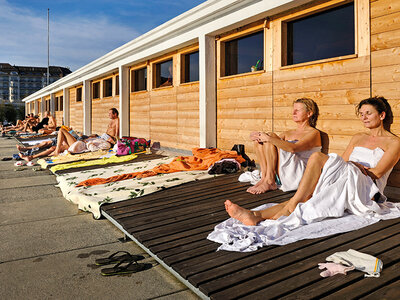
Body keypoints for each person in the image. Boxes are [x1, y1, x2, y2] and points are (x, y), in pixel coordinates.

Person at [225, 96, 400, 225]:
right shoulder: (358, 137)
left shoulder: (394, 142)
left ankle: (283, 208)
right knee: (308, 197)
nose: (364, 118)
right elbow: (344, 160)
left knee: (316, 161)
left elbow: (377, 173)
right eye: (361, 114)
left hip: (367, 187)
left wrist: (354, 166)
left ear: (382, 115)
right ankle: (255, 216)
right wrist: (350, 166)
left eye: (368, 113)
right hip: (348, 174)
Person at [247, 98, 321, 194]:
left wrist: (269, 138)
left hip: (299, 174)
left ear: (309, 113)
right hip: (285, 170)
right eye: (293, 110)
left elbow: (293, 148)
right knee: (262, 141)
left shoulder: (313, 133)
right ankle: (264, 178)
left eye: (297, 110)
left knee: (271, 137)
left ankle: (270, 181)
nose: (294, 112)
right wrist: (257, 137)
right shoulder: (288, 133)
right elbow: (269, 144)